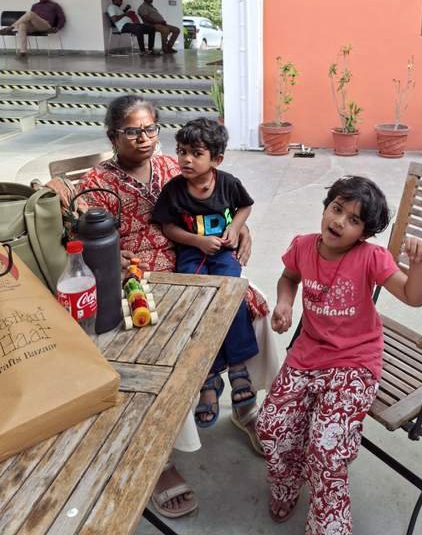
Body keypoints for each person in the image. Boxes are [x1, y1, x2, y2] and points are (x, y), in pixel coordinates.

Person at [47, 94, 270, 519]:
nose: (144, 138)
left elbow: (222, 205)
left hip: (194, 256)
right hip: (141, 270)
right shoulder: (98, 182)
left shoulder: (174, 166)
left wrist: (243, 231)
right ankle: (160, 456)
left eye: (150, 128)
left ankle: (243, 404)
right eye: (132, 131)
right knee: (167, 336)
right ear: (113, 136)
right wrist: (113, 255)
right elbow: (81, 235)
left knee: (245, 299)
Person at [256, 176, 422, 531]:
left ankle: (328, 526)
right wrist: (285, 303)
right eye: (337, 209)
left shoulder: (371, 257)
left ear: (364, 234)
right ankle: (288, 484)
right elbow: (289, 278)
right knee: (271, 426)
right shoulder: (303, 246)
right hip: (308, 354)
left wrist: (418, 265)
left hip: (355, 363)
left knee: (326, 448)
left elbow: (413, 297)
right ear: (326, 206)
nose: (339, 221)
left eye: (353, 220)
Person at [153, 118, 259, 427]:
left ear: (216, 159)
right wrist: (197, 241)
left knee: (232, 297)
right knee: (195, 305)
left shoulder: (227, 183)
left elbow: (244, 207)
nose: (186, 159)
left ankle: (238, 367)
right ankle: (209, 376)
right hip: (191, 253)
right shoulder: (174, 190)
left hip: (224, 252)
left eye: (196, 153)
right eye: (181, 151)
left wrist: (234, 228)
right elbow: (168, 227)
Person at [0, 0, 65, 57]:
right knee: (22, 25)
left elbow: (62, 18)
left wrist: (58, 28)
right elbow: (29, 18)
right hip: (34, 26)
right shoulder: (35, 6)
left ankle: (10, 27)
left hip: (46, 26)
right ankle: (23, 52)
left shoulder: (54, 5)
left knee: (30, 14)